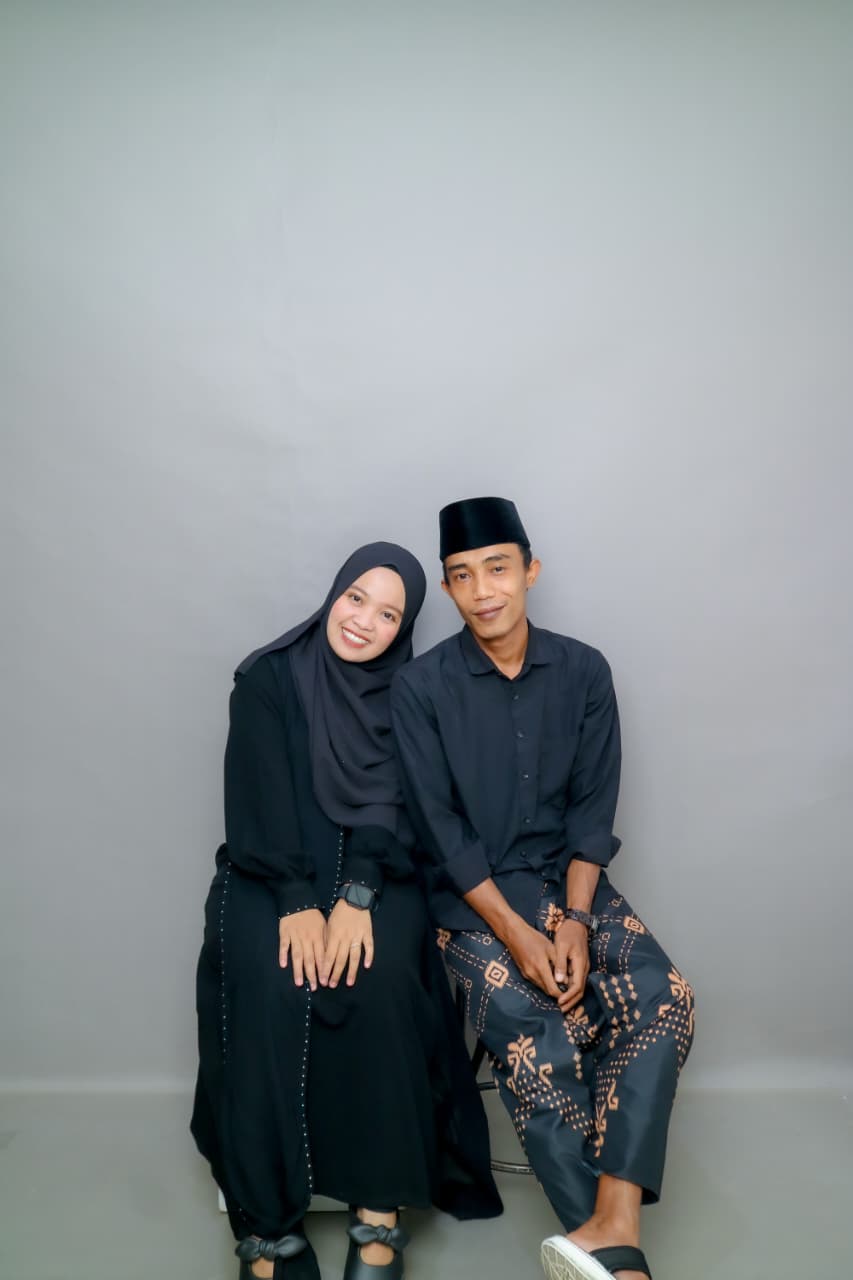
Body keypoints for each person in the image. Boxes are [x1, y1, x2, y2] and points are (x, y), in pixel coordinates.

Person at [390, 499, 695, 1280]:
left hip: (570, 886)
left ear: (529, 570)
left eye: (496, 568)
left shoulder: (584, 670)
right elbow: (441, 832)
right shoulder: (420, 688)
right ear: (447, 590)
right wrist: (517, 935)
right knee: (537, 1041)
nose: (481, 590)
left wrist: (576, 922)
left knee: (664, 997)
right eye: (461, 576)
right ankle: (615, 1262)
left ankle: (611, 1221)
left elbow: (592, 814)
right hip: (470, 904)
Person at [191, 542, 501, 1280]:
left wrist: (357, 896)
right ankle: (267, 1226)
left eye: (388, 614)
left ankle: (378, 1210)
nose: (364, 621)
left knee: (381, 977)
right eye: (356, 598)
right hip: (269, 865)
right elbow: (257, 799)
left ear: (404, 628)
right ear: (334, 594)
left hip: (377, 865)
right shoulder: (267, 677)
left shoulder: (405, 692)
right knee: (272, 983)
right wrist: (299, 902)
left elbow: (395, 803)